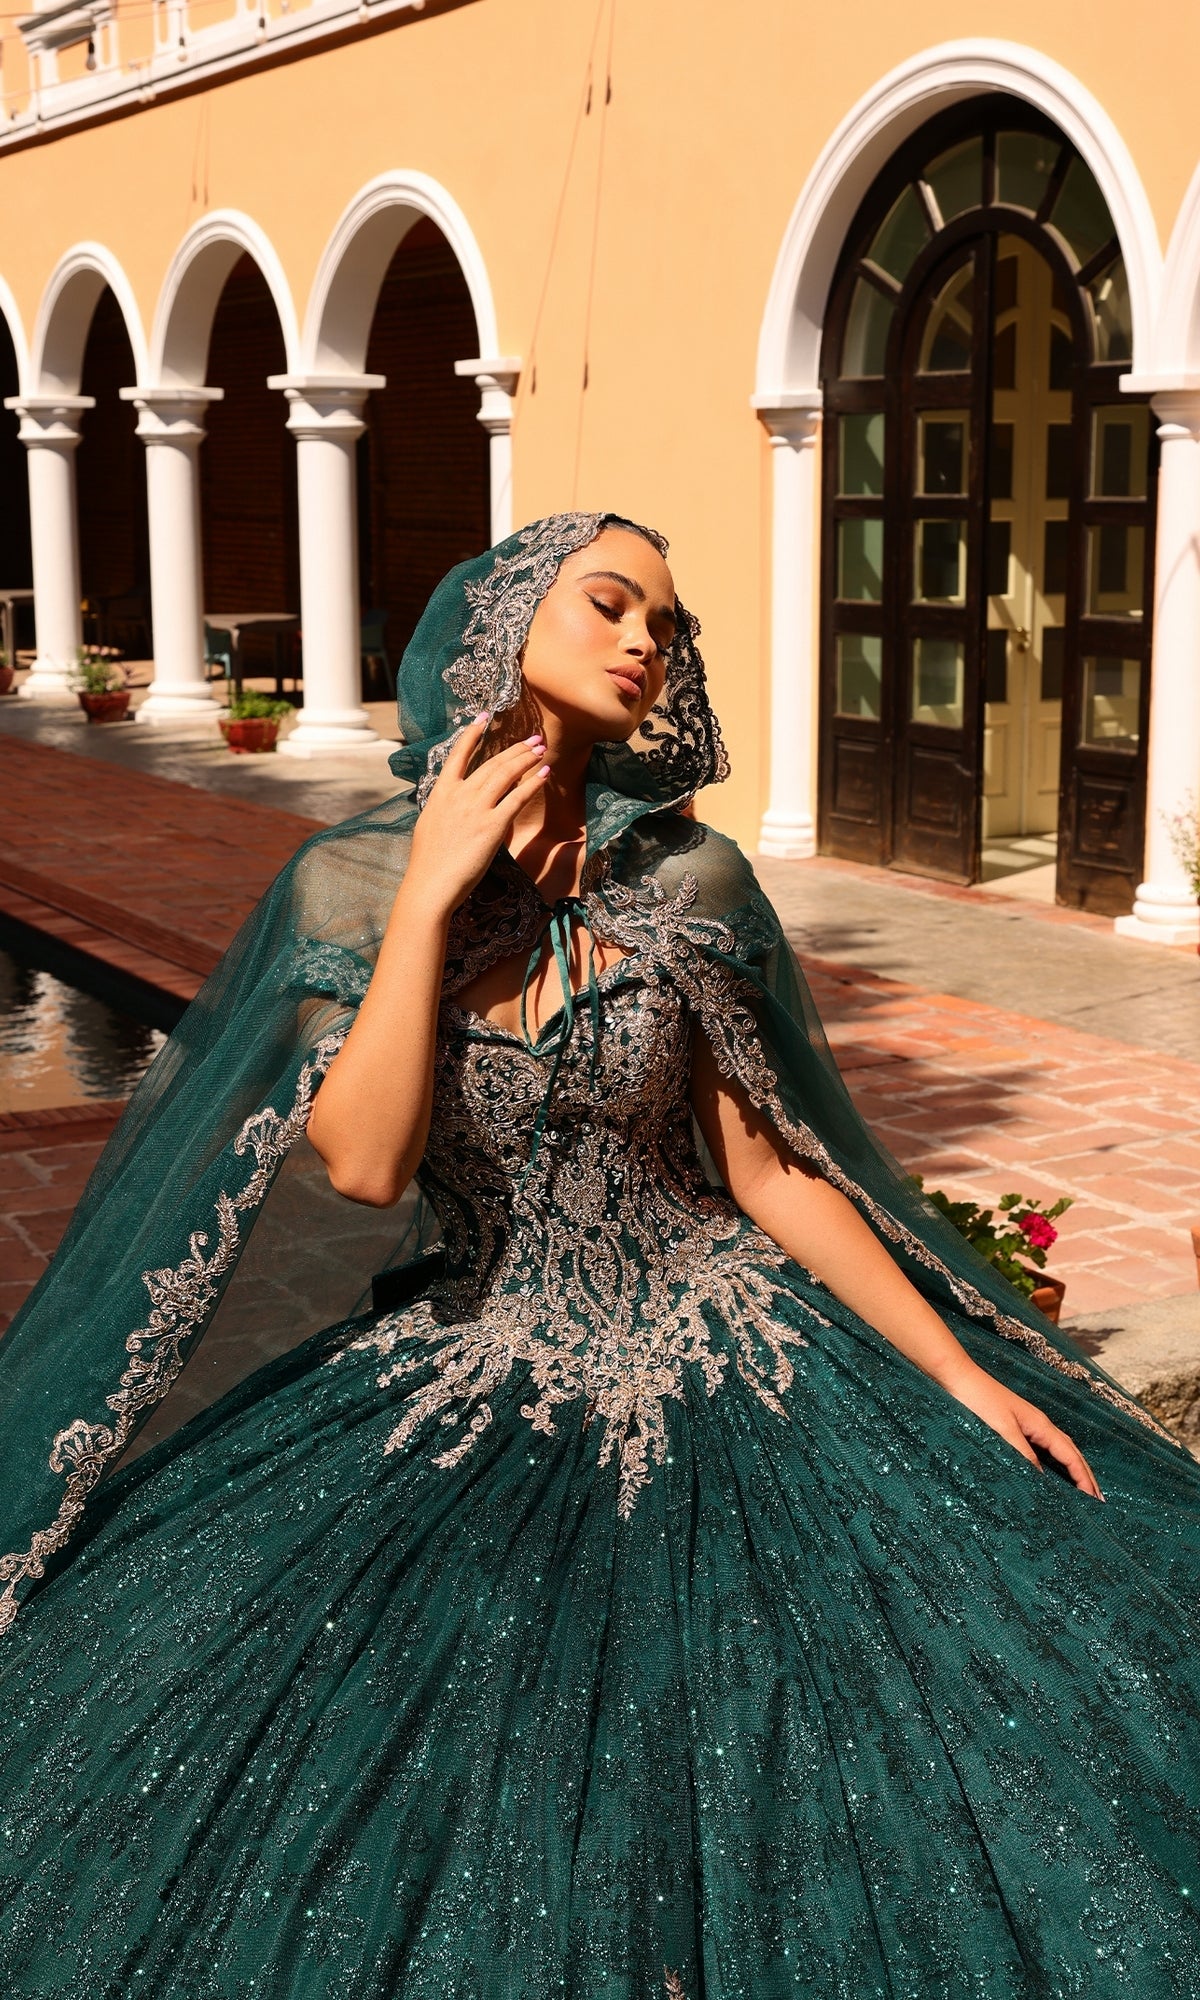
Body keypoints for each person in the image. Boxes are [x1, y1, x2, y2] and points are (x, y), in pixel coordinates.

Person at [0, 511, 1197, 1998]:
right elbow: (366, 1166)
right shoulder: (350, 886)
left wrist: (961, 1372)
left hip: (737, 1340)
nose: (647, 643)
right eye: (613, 605)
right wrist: (431, 894)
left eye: (667, 627)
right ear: (503, 624)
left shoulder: (691, 880)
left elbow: (765, 1170)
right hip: (479, 1354)